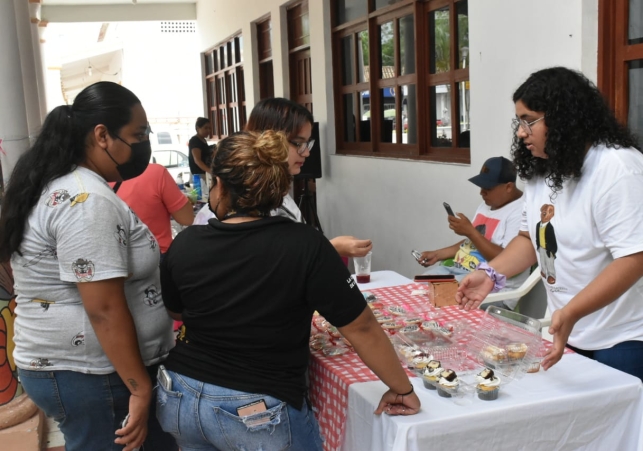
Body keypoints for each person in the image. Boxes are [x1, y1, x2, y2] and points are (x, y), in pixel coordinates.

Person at [156, 130, 421, 451]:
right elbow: (361, 326)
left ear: (221, 186)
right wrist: (401, 388)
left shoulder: (185, 243)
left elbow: (177, 311)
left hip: (180, 394)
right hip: (254, 406)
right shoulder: (305, 245)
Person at [0, 82, 177, 451]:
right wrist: (140, 388)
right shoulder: (85, 200)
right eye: (137, 134)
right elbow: (104, 309)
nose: (144, 143)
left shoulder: (65, 185)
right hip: (91, 376)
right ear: (102, 135)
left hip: (85, 371)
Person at [456, 67, 643, 380]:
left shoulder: (618, 169)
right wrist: (491, 273)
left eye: (529, 120)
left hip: (624, 337)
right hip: (570, 329)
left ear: (563, 118)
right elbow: (530, 239)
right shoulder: (546, 168)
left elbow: (634, 258)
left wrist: (571, 310)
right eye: (519, 121)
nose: (520, 132)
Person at [195, 97, 372, 258]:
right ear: (268, 141)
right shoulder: (233, 206)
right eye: (298, 143)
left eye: (308, 143)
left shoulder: (280, 197)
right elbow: (265, 264)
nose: (307, 153)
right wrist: (329, 247)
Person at [417, 156, 528, 309]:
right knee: (416, 287)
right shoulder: (488, 204)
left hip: (490, 286)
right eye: (481, 187)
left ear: (508, 187)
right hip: (459, 270)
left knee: (432, 297)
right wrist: (437, 254)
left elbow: (507, 260)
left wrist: (470, 232)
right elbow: (472, 244)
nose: (482, 193)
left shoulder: (520, 212)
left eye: (488, 189)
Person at [111, 163, 194, 259]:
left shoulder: (93, 180)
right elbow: (187, 219)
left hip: (115, 260)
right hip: (157, 256)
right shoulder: (155, 172)